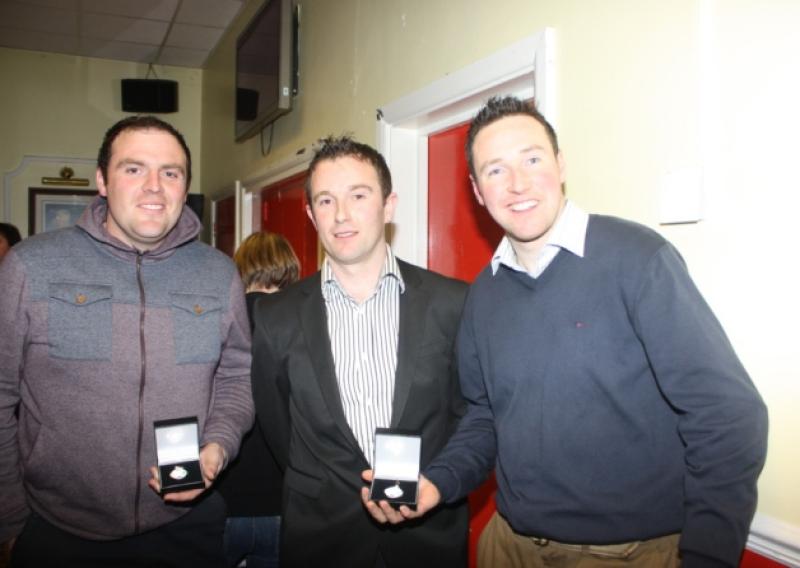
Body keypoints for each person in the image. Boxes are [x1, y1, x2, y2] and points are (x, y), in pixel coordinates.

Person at [363, 96, 769, 568]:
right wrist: (438, 482)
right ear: (477, 190)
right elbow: (485, 419)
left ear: (559, 164)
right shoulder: (483, 297)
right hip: (506, 546)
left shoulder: (637, 259)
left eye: (532, 159)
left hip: (624, 555)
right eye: (495, 171)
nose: (517, 184)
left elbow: (728, 415)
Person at [0, 115, 254, 567]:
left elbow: (236, 375)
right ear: (101, 180)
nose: (154, 187)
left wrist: (218, 444)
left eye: (170, 173)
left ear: (184, 185)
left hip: (185, 527)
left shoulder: (218, 274)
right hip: (57, 531)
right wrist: (11, 520)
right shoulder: (29, 266)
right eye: (134, 168)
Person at [251, 136, 469, 568]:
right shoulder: (275, 316)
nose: (342, 215)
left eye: (359, 195)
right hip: (321, 536)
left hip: (427, 537)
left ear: (389, 206)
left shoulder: (453, 303)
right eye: (327, 201)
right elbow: (279, 428)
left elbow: (466, 418)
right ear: (311, 214)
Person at [218, 231, 300, 568]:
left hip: (222, 501)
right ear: (291, 272)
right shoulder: (302, 328)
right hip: (282, 504)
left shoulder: (219, 326)